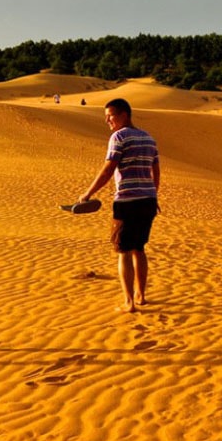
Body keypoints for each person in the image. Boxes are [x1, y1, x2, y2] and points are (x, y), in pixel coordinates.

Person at [78, 98, 160, 312]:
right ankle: (141, 295)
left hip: (127, 201)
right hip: (148, 201)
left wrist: (88, 193)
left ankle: (128, 302)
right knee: (139, 249)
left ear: (124, 114)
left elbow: (108, 169)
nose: (108, 120)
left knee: (123, 250)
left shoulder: (119, 136)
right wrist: (154, 195)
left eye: (111, 115)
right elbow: (156, 171)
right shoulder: (149, 138)